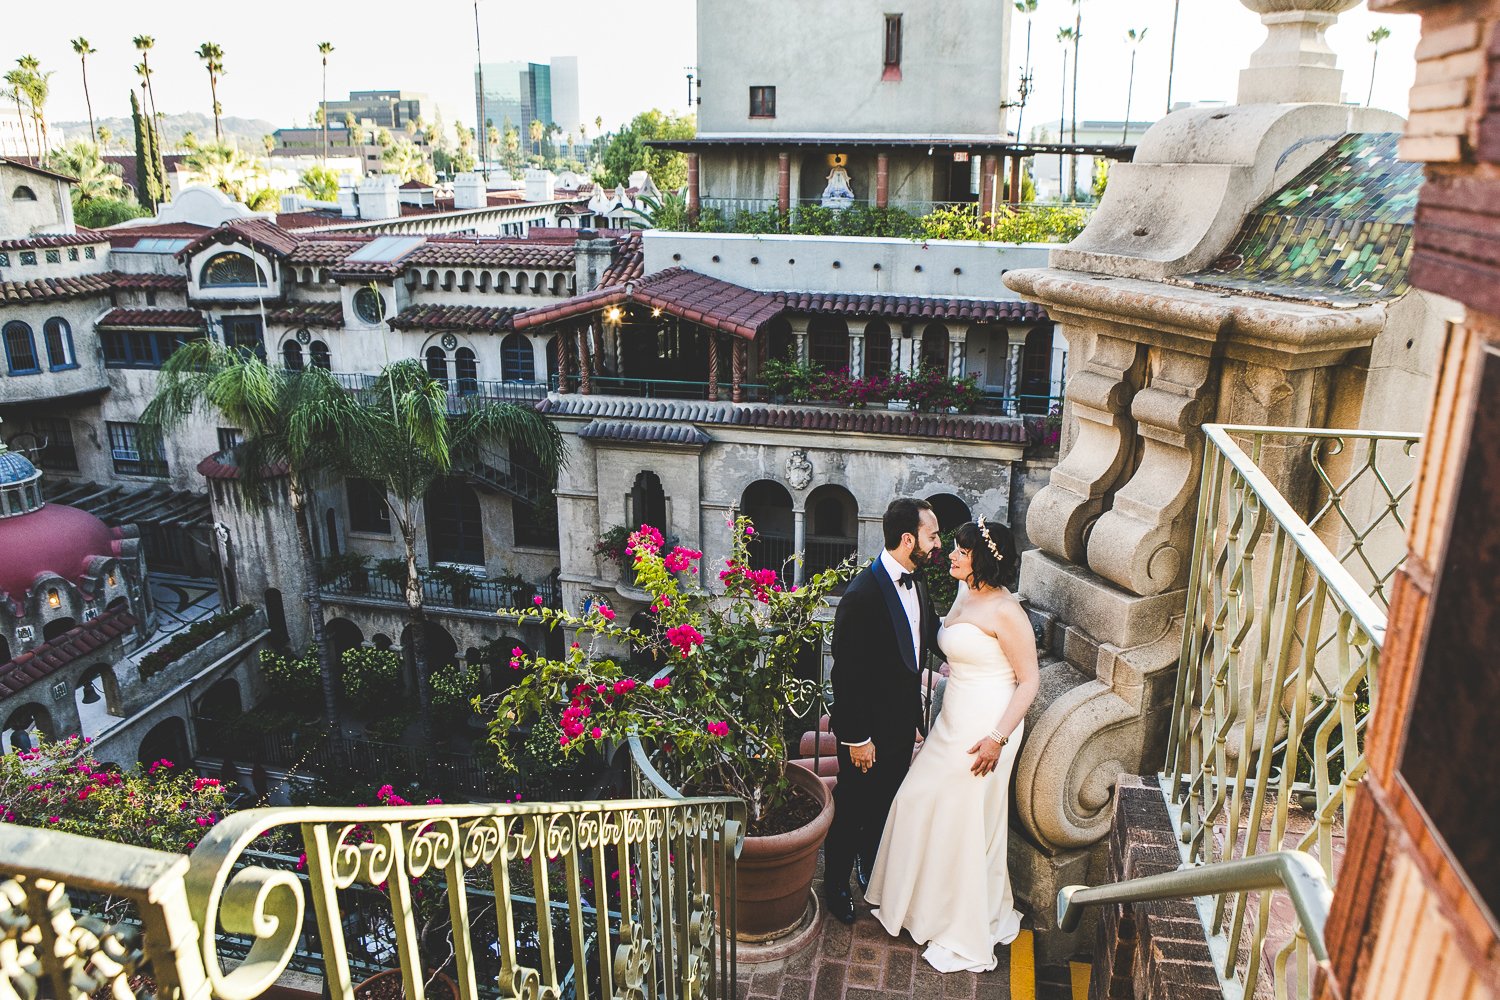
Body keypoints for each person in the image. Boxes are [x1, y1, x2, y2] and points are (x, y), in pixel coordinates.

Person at [864, 518, 1041, 973]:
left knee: (962, 821)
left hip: (987, 726)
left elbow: (1029, 682)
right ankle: (916, 905)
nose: (953, 555)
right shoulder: (964, 592)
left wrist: (997, 739)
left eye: (961, 550)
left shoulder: (1006, 612)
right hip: (953, 718)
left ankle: (957, 921)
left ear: (981, 559)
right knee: (917, 800)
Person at [823, 497, 943, 925]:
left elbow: (924, 640)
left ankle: (869, 869)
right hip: (866, 734)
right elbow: (847, 675)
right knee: (852, 806)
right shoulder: (862, 594)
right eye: (932, 536)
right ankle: (834, 884)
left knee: (884, 806)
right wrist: (856, 738)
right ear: (908, 539)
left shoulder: (919, 581)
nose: (938, 544)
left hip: (899, 728)